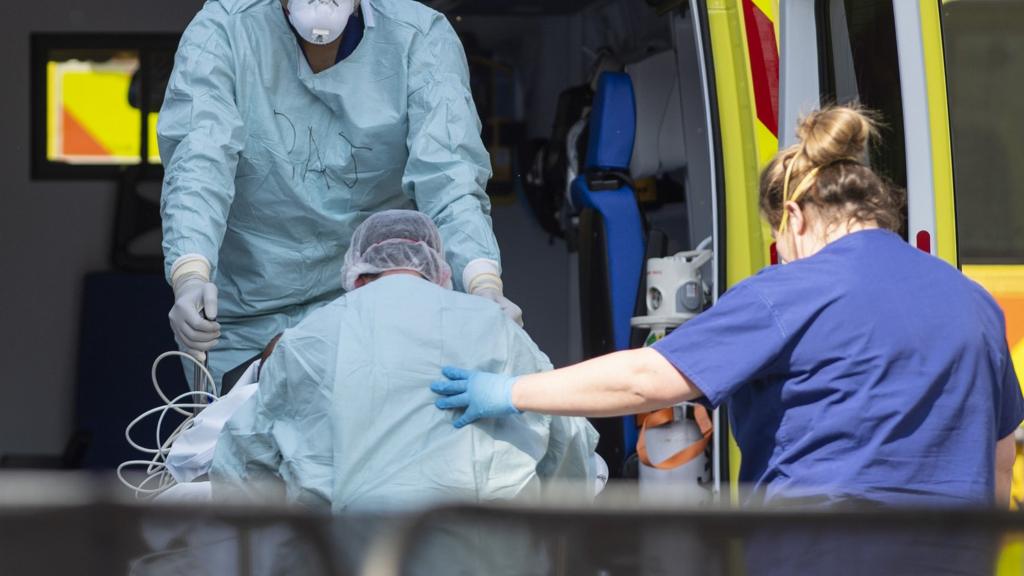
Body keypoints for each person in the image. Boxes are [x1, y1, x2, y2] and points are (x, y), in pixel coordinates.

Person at [433, 106, 1024, 507]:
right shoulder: (973, 303)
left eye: (778, 240)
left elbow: (645, 382)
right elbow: (999, 468)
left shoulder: (792, 292)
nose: (781, 255)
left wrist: (508, 391)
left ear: (795, 218)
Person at [159, 0, 521, 388]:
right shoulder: (225, 30)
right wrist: (190, 274)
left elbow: (450, 177)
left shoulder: (418, 36)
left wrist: (484, 284)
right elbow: (200, 163)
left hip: (375, 307)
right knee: (249, 436)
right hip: (246, 315)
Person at [210, 210, 599, 510]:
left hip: (349, 554)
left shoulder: (307, 339)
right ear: (439, 272)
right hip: (486, 552)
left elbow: (244, 458)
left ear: (357, 274)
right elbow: (569, 437)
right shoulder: (496, 328)